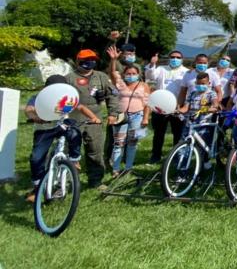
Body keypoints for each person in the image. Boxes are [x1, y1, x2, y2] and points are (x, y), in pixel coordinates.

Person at [24, 75, 101, 202]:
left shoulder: (67, 97)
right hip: (44, 129)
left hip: (62, 125)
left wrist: (93, 117)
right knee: (36, 158)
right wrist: (35, 117)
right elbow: (29, 109)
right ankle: (37, 186)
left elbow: (80, 107)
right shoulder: (39, 98)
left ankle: (74, 159)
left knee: (74, 132)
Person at [65, 49, 117, 189]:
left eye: (93, 59)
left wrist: (113, 113)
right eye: (86, 59)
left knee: (95, 149)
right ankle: (66, 181)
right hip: (73, 117)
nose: (90, 62)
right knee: (69, 149)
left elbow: (112, 95)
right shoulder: (69, 78)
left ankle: (96, 180)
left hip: (94, 118)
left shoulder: (101, 77)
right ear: (78, 61)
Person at [107, 46, 150, 177]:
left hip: (137, 116)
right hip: (121, 116)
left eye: (133, 74)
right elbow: (112, 73)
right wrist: (113, 60)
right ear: (124, 74)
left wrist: (145, 118)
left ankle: (128, 167)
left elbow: (147, 104)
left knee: (132, 143)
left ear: (138, 74)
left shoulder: (144, 86)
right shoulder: (121, 84)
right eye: (128, 74)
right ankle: (115, 169)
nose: (131, 76)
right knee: (118, 143)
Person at [145, 50, 189, 164]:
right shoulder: (161, 69)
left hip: (177, 107)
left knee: (178, 133)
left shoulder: (186, 72)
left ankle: (175, 156)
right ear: (169, 58)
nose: (175, 59)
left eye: (178, 57)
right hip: (160, 106)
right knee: (159, 132)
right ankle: (155, 155)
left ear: (182, 59)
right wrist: (152, 64)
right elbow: (150, 76)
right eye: (173, 57)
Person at [177, 72, 220, 171]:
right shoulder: (192, 94)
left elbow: (215, 107)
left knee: (202, 148)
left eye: (203, 83)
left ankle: (200, 169)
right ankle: (182, 170)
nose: (201, 85)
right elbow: (186, 108)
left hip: (203, 125)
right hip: (190, 124)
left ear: (209, 83)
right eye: (199, 83)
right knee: (183, 148)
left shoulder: (211, 94)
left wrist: (205, 109)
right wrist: (178, 110)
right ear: (196, 83)